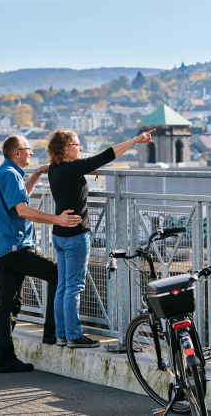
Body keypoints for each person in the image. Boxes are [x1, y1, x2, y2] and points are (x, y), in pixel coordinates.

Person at [47, 128, 155, 348]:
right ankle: (74, 336)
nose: (81, 147)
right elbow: (107, 154)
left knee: (63, 286)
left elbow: (79, 169)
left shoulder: (54, 169)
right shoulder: (73, 168)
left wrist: (87, 170)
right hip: (76, 235)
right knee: (74, 287)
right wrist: (135, 140)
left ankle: (61, 334)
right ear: (66, 148)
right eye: (77, 144)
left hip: (59, 235)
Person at [0, 135, 82, 373]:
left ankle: (5, 359)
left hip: (4, 247)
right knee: (57, 273)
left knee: (7, 304)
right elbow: (23, 210)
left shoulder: (6, 173)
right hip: (15, 247)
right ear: (16, 152)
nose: (31, 152)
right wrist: (56, 219)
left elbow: (20, 198)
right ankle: (52, 333)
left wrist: (37, 175)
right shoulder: (10, 175)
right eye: (28, 149)